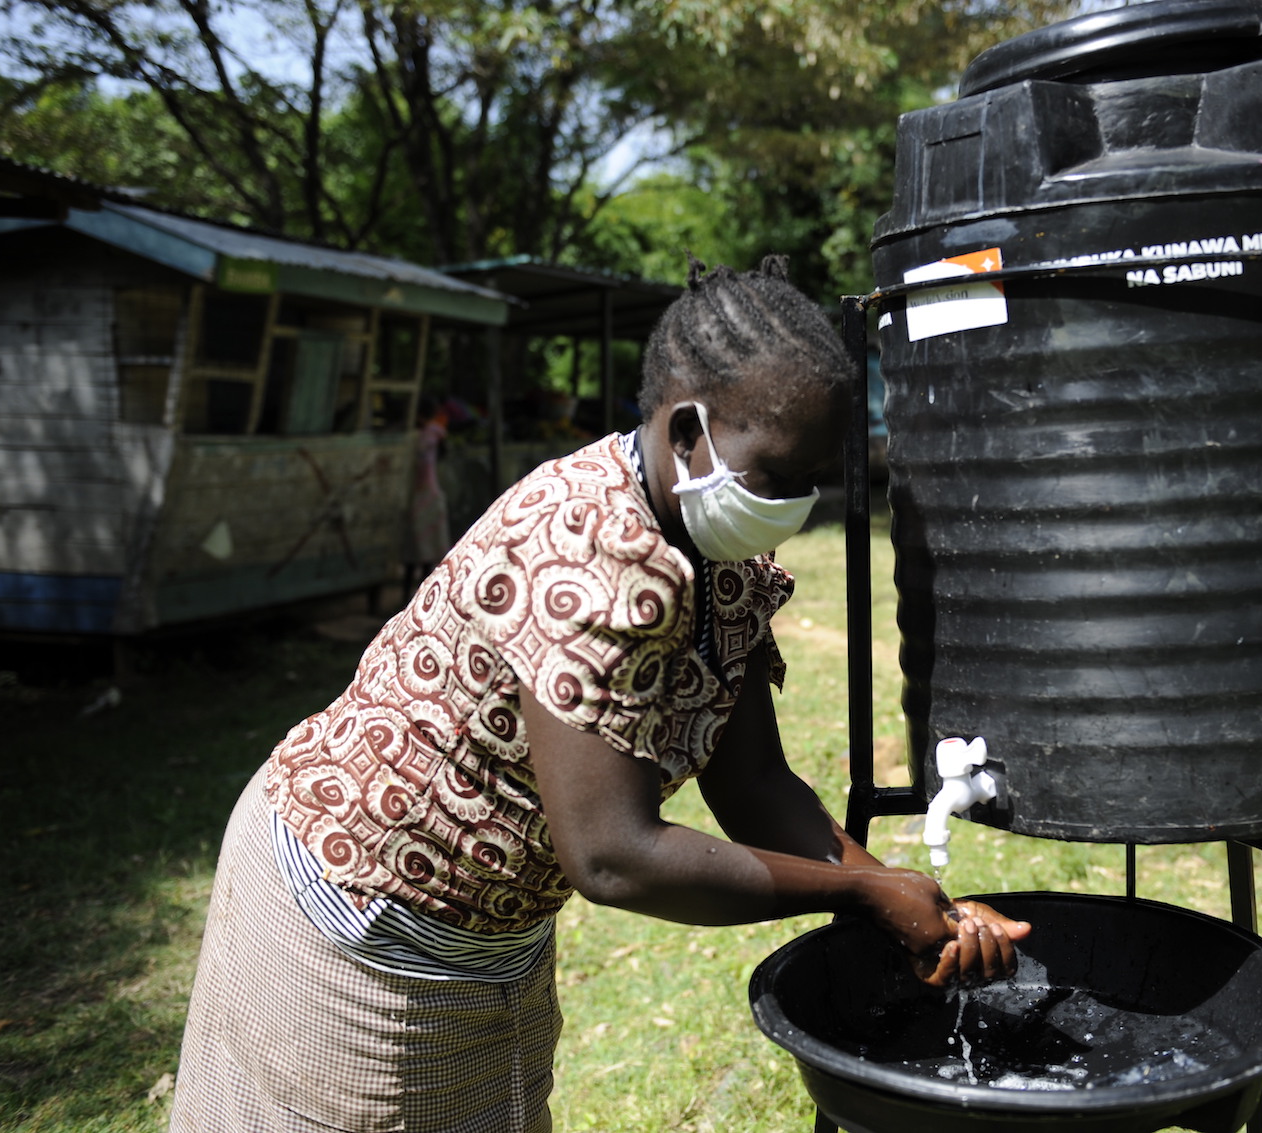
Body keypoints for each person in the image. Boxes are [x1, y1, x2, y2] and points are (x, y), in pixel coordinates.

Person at [169, 255, 1032, 1133]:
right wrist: (854, 895)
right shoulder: (587, 554)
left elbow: (756, 786)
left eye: (814, 476)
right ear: (686, 427)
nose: (796, 504)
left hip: (487, 935)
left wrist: (903, 893)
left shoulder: (720, 559)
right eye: (776, 473)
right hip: (352, 914)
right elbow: (612, 855)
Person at [400, 394, 452, 597]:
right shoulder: (433, 434)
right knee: (426, 552)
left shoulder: (424, 436)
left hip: (419, 497)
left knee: (413, 552)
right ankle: (423, 597)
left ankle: (408, 596)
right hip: (429, 495)